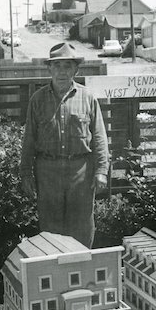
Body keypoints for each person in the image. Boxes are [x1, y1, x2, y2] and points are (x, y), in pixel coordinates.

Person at [20, 42, 109, 248]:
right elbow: (29, 139)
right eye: (57, 65)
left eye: (67, 66)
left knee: (82, 227)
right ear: (49, 68)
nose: (62, 71)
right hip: (47, 171)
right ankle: (55, 275)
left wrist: (102, 171)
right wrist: (26, 173)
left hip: (80, 172)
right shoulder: (37, 99)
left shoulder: (88, 98)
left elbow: (99, 137)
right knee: (50, 229)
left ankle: (81, 270)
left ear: (76, 69)